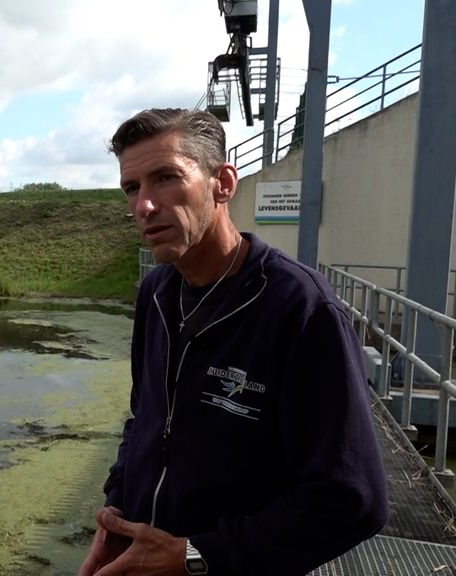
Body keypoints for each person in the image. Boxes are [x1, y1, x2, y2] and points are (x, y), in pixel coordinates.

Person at [79, 108, 388, 575]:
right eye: (131, 187)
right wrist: (118, 509)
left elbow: (351, 498)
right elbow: (145, 417)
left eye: (165, 178)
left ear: (222, 183)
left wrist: (199, 557)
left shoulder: (300, 309)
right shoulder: (154, 294)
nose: (143, 205)